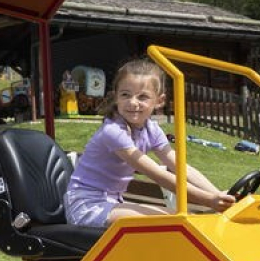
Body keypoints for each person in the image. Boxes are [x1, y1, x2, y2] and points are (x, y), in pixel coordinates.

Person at [64, 57, 236, 227]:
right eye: (126, 95)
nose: (133, 102)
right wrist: (209, 200)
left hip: (112, 201)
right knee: (175, 223)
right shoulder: (113, 132)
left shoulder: (151, 128)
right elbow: (157, 174)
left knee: (183, 220)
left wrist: (218, 194)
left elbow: (180, 166)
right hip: (87, 206)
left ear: (159, 101)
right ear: (116, 97)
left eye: (143, 97)